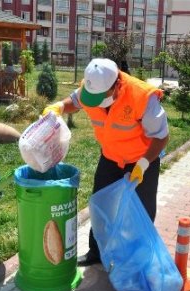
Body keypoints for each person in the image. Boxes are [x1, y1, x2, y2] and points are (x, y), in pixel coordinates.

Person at [42, 58, 169, 266]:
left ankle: (139, 260)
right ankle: (96, 253)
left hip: (142, 161)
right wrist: (58, 107)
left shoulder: (142, 97)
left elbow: (161, 136)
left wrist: (144, 164)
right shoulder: (91, 88)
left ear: (117, 85)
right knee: (101, 205)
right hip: (110, 158)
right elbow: (74, 102)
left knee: (142, 211)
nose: (97, 102)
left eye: (101, 97)